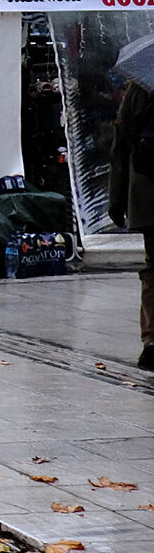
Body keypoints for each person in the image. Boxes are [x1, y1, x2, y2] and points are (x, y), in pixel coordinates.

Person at [109, 82, 154, 370]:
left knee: (153, 267)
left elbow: (121, 144)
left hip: (147, 194)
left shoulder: (139, 88)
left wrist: (117, 200)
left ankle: (151, 342)